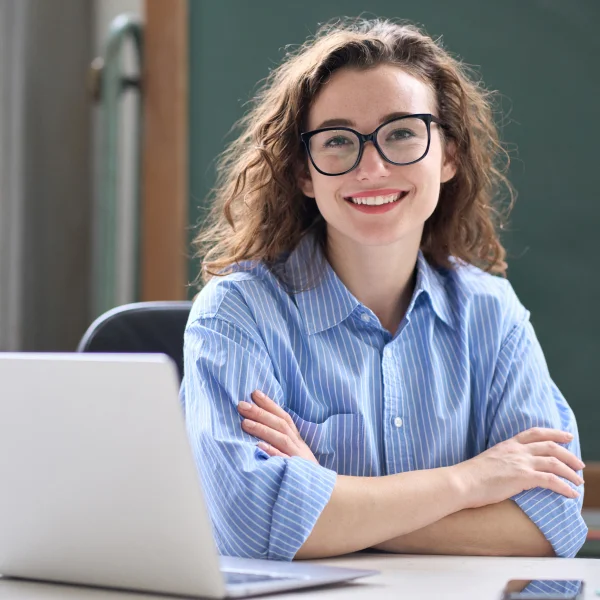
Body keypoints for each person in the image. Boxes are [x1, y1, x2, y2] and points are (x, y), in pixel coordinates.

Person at [181, 17, 587, 561]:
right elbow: (251, 522)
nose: (371, 166)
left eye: (401, 133)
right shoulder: (236, 314)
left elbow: (553, 522)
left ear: (448, 156)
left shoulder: (494, 314)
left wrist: (329, 497)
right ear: (305, 173)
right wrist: (469, 482)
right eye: (338, 141)